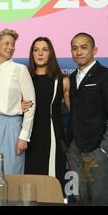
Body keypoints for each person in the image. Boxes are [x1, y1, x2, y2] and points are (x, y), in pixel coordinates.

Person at [67, 33, 108, 205]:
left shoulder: (107, 76)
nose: (79, 52)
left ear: (94, 50)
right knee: (78, 199)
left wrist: (104, 150)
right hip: (74, 150)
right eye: (74, 48)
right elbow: (72, 110)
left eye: (83, 47)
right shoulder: (71, 78)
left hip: (96, 149)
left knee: (100, 201)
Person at [0, 28, 35, 195]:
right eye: (6, 43)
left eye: (13, 44)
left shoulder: (20, 69)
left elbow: (31, 104)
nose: (10, 47)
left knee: (11, 174)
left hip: (12, 125)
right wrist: (17, 105)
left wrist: (24, 136)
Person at [25, 37, 70, 187]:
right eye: (36, 50)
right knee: (29, 184)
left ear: (51, 53)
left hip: (52, 135)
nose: (40, 53)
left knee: (51, 183)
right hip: (27, 136)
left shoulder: (62, 80)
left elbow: (74, 112)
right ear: (32, 54)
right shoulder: (24, 79)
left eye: (44, 49)